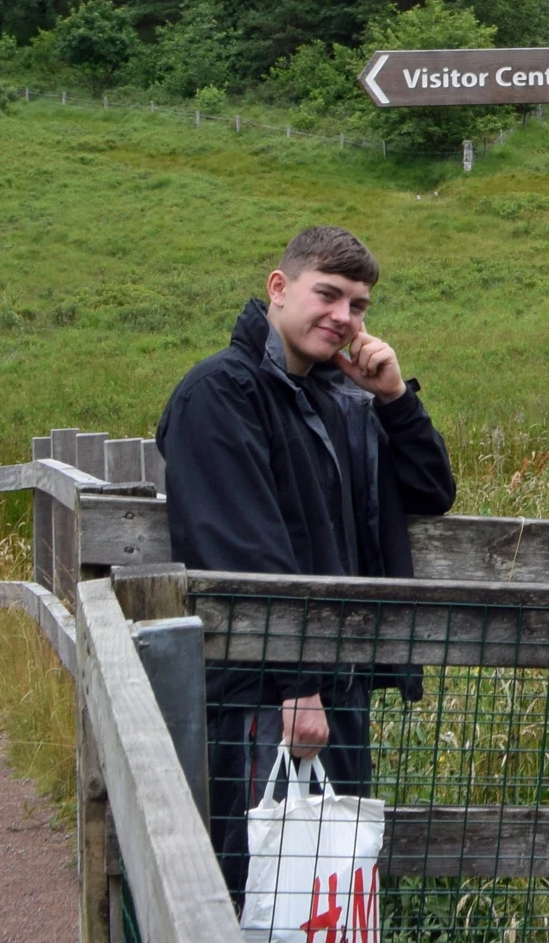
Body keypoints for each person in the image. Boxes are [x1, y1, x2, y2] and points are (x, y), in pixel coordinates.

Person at [158, 225, 458, 901]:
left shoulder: (342, 398)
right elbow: (239, 546)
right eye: (328, 295)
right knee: (259, 882)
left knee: (327, 889)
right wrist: (294, 686)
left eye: (358, 305)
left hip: (338, 684)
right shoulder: (220, 395)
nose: (344, 317)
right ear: (279, 287)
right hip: (263, 698)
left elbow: (430, 492)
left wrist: (394, 399)